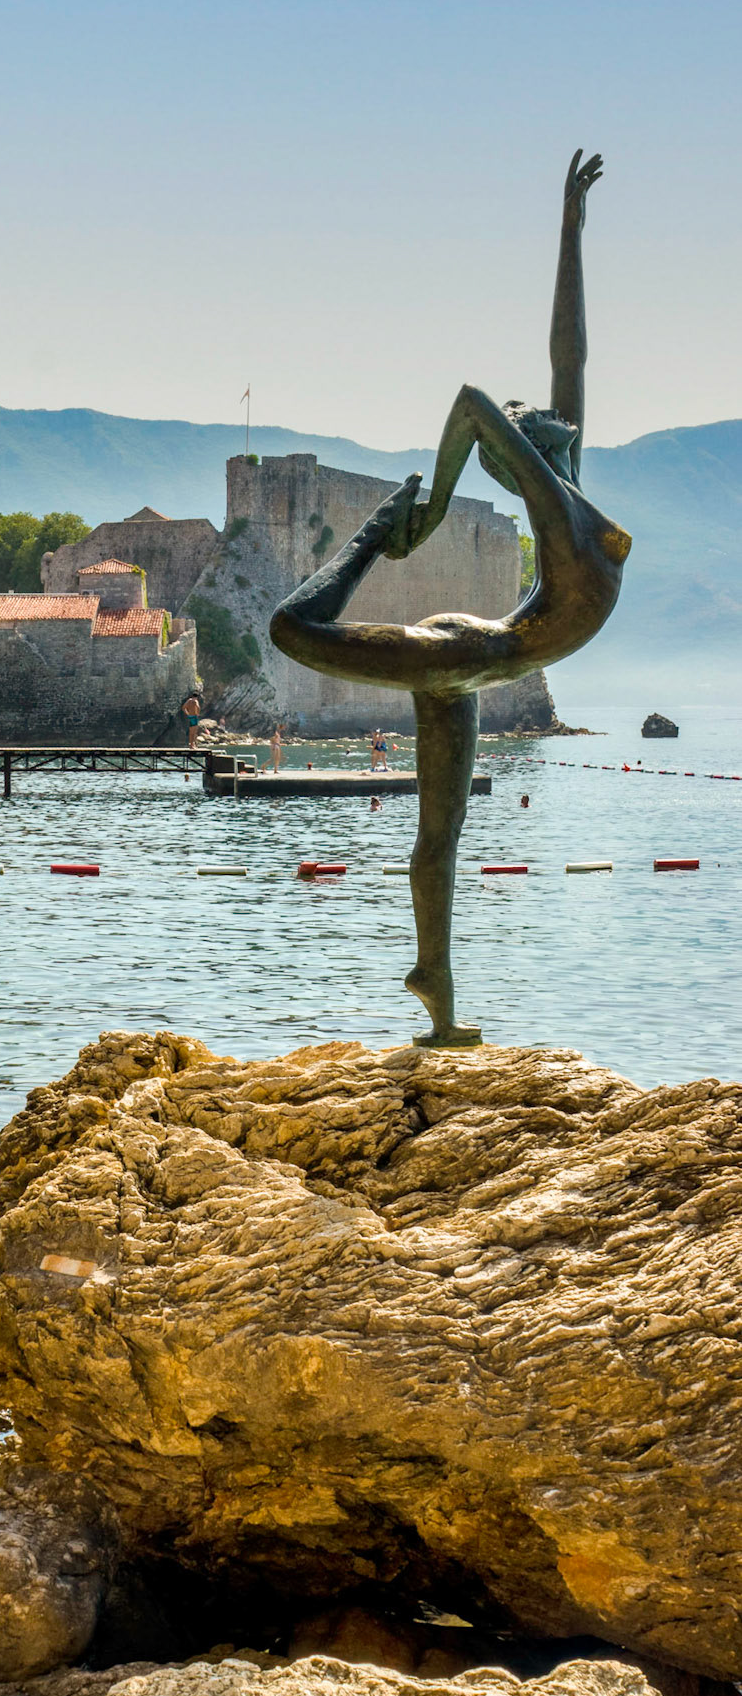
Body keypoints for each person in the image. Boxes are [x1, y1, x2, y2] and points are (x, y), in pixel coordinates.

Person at [270, 152, 629, 1046]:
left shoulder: (567, 491)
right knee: (289, 628)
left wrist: (569, 232)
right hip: (473, 654)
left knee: (440, 838)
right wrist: (424, 511)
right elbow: (473, 403)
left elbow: (569, 358)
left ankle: (436, 985)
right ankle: (367, 536)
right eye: (535, 428)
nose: (552, 416)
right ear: (519, 460)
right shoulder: (552, 502)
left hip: (481, 656)